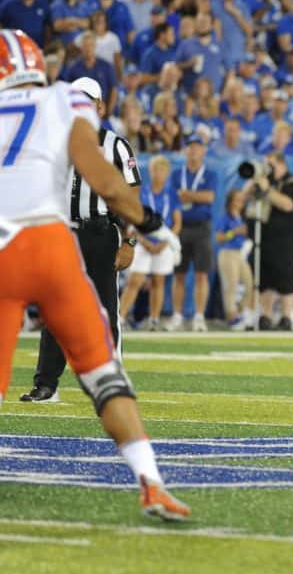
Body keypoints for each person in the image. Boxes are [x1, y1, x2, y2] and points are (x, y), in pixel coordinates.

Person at [0, 28, 189, 519]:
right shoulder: (62, 102)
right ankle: (151, 482)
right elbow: (106, 180)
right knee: (103, 371)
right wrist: (150, 225)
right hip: (50, 244)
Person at [21, 77, 140, 403]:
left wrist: (129, 242)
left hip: (100, 233)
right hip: (63, 234)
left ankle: (113, 383)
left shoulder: (116, 145)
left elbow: (132, 195)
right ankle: (46, 384)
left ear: (100, 106)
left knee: (105, 310)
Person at [119, 155, 182, 331]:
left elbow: (177, 222)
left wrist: (166, 242)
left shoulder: (172, 194)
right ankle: (121, 317)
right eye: (155, 169)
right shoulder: (142, 192)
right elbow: (132, 219)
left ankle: (154, 319)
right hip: (142, 240)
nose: (158, 173)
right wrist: (143, 241)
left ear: (167, 173)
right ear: (150, 171)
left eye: (162, 170)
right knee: (134, 280)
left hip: (164, 242)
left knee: (158, 281)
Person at [245, 152, 293, 331]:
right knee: (265, 280)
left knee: (285, 279)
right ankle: (265, 315)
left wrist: (267, 190)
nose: (268, 169)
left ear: (282, 164)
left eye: (271, 165)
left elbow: (288, 205)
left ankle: (287, 317)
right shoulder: (264, 182)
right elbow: (243, 197)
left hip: (285, 241)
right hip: (263, 238)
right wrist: (254, 181)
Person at [168, 135, 217, 332]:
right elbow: (173, 198)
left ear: (204, 151)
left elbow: (209, 197)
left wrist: (187, 195)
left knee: (201, 274)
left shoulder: (210, 174)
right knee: (178, 274)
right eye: (190, 147)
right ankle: (177, 316)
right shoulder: (176, 174)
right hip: (180, 226)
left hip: (201, 227)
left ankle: (199, 316)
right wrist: (197, 197)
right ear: (185, 151)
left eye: (198, 146)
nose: (194, 150)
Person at [215, 189, 254, 330]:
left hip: (240, 253)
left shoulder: (241, 218)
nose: (240, 202)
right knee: (231, 286)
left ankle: (242, 313)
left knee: (249, 283)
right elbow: (219, 238)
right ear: (231, 201)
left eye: (242, 199)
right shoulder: (225, 217)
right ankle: (232, 317)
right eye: (237, 199)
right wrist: (234, 232)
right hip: (228, 253)